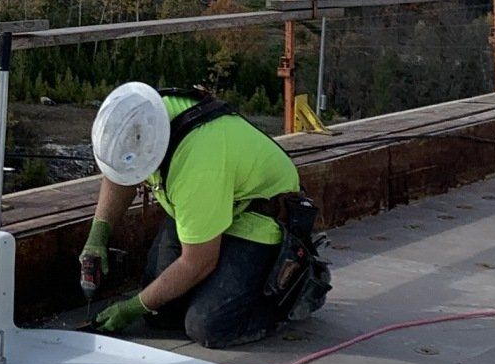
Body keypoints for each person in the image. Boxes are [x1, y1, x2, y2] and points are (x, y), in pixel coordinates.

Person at [79, 81, 327, 346]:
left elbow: (198, 262)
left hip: (259, 214)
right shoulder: (140, 115)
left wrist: (131, 308)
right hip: (209, 203)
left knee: (208, 325)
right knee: (161, 312)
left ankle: (293, 291)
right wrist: (98, 235)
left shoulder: (197, 167)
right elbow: (120, 173)